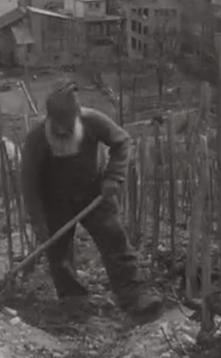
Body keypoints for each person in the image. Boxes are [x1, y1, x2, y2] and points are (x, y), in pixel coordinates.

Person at [20, 81, 163, 323]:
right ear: (50, 119)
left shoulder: (93, 121)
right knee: (59, 253)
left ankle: (135, 295)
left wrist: (113, 177)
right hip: (55, 200)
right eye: (59, 125)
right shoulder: (36, 139)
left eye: (68, 124)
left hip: (94, 194)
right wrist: (39, 221)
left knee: (115, 240)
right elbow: (29, 184)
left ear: (76, 116)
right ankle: (74, 301)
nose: (63, 131)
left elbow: (122, 142)